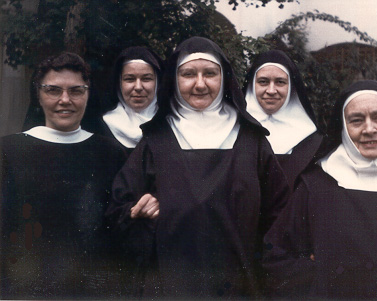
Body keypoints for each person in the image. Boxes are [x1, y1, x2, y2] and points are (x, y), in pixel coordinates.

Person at [106, 36, 289, 298]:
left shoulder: (251, 141)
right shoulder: (156, 141)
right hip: (171, 288)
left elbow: (281, 216)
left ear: (224, 78)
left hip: (239, 287)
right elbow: (118, 211)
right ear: (175, 80)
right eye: (189, 74)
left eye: (210, 74)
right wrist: (138, 211)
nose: (200, 84)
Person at [262, 80, 377, 299]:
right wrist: (320, 278)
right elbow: (275, 255)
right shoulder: (317, 185)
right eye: (356, 120)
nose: (369, 129)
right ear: (344, 127)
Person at [0, 52, 127, 299]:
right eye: (53, 90)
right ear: (38, 95)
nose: (65, 100)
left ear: (88, 94)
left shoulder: (110, 153)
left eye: (76, 91)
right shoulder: (7, 152)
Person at [243, 50, 323, 189]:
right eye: (263, 82)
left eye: (280, 82)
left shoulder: (312, 141)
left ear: (291, 87)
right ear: (252, 85)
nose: (271, 90)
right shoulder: (236, 132)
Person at [94, 46, 164, 154]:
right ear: (119, 83)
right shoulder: (101, 128)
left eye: (146, 79)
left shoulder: (169, 124)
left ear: (157, 83)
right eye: (129, 79)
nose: (138, 87)